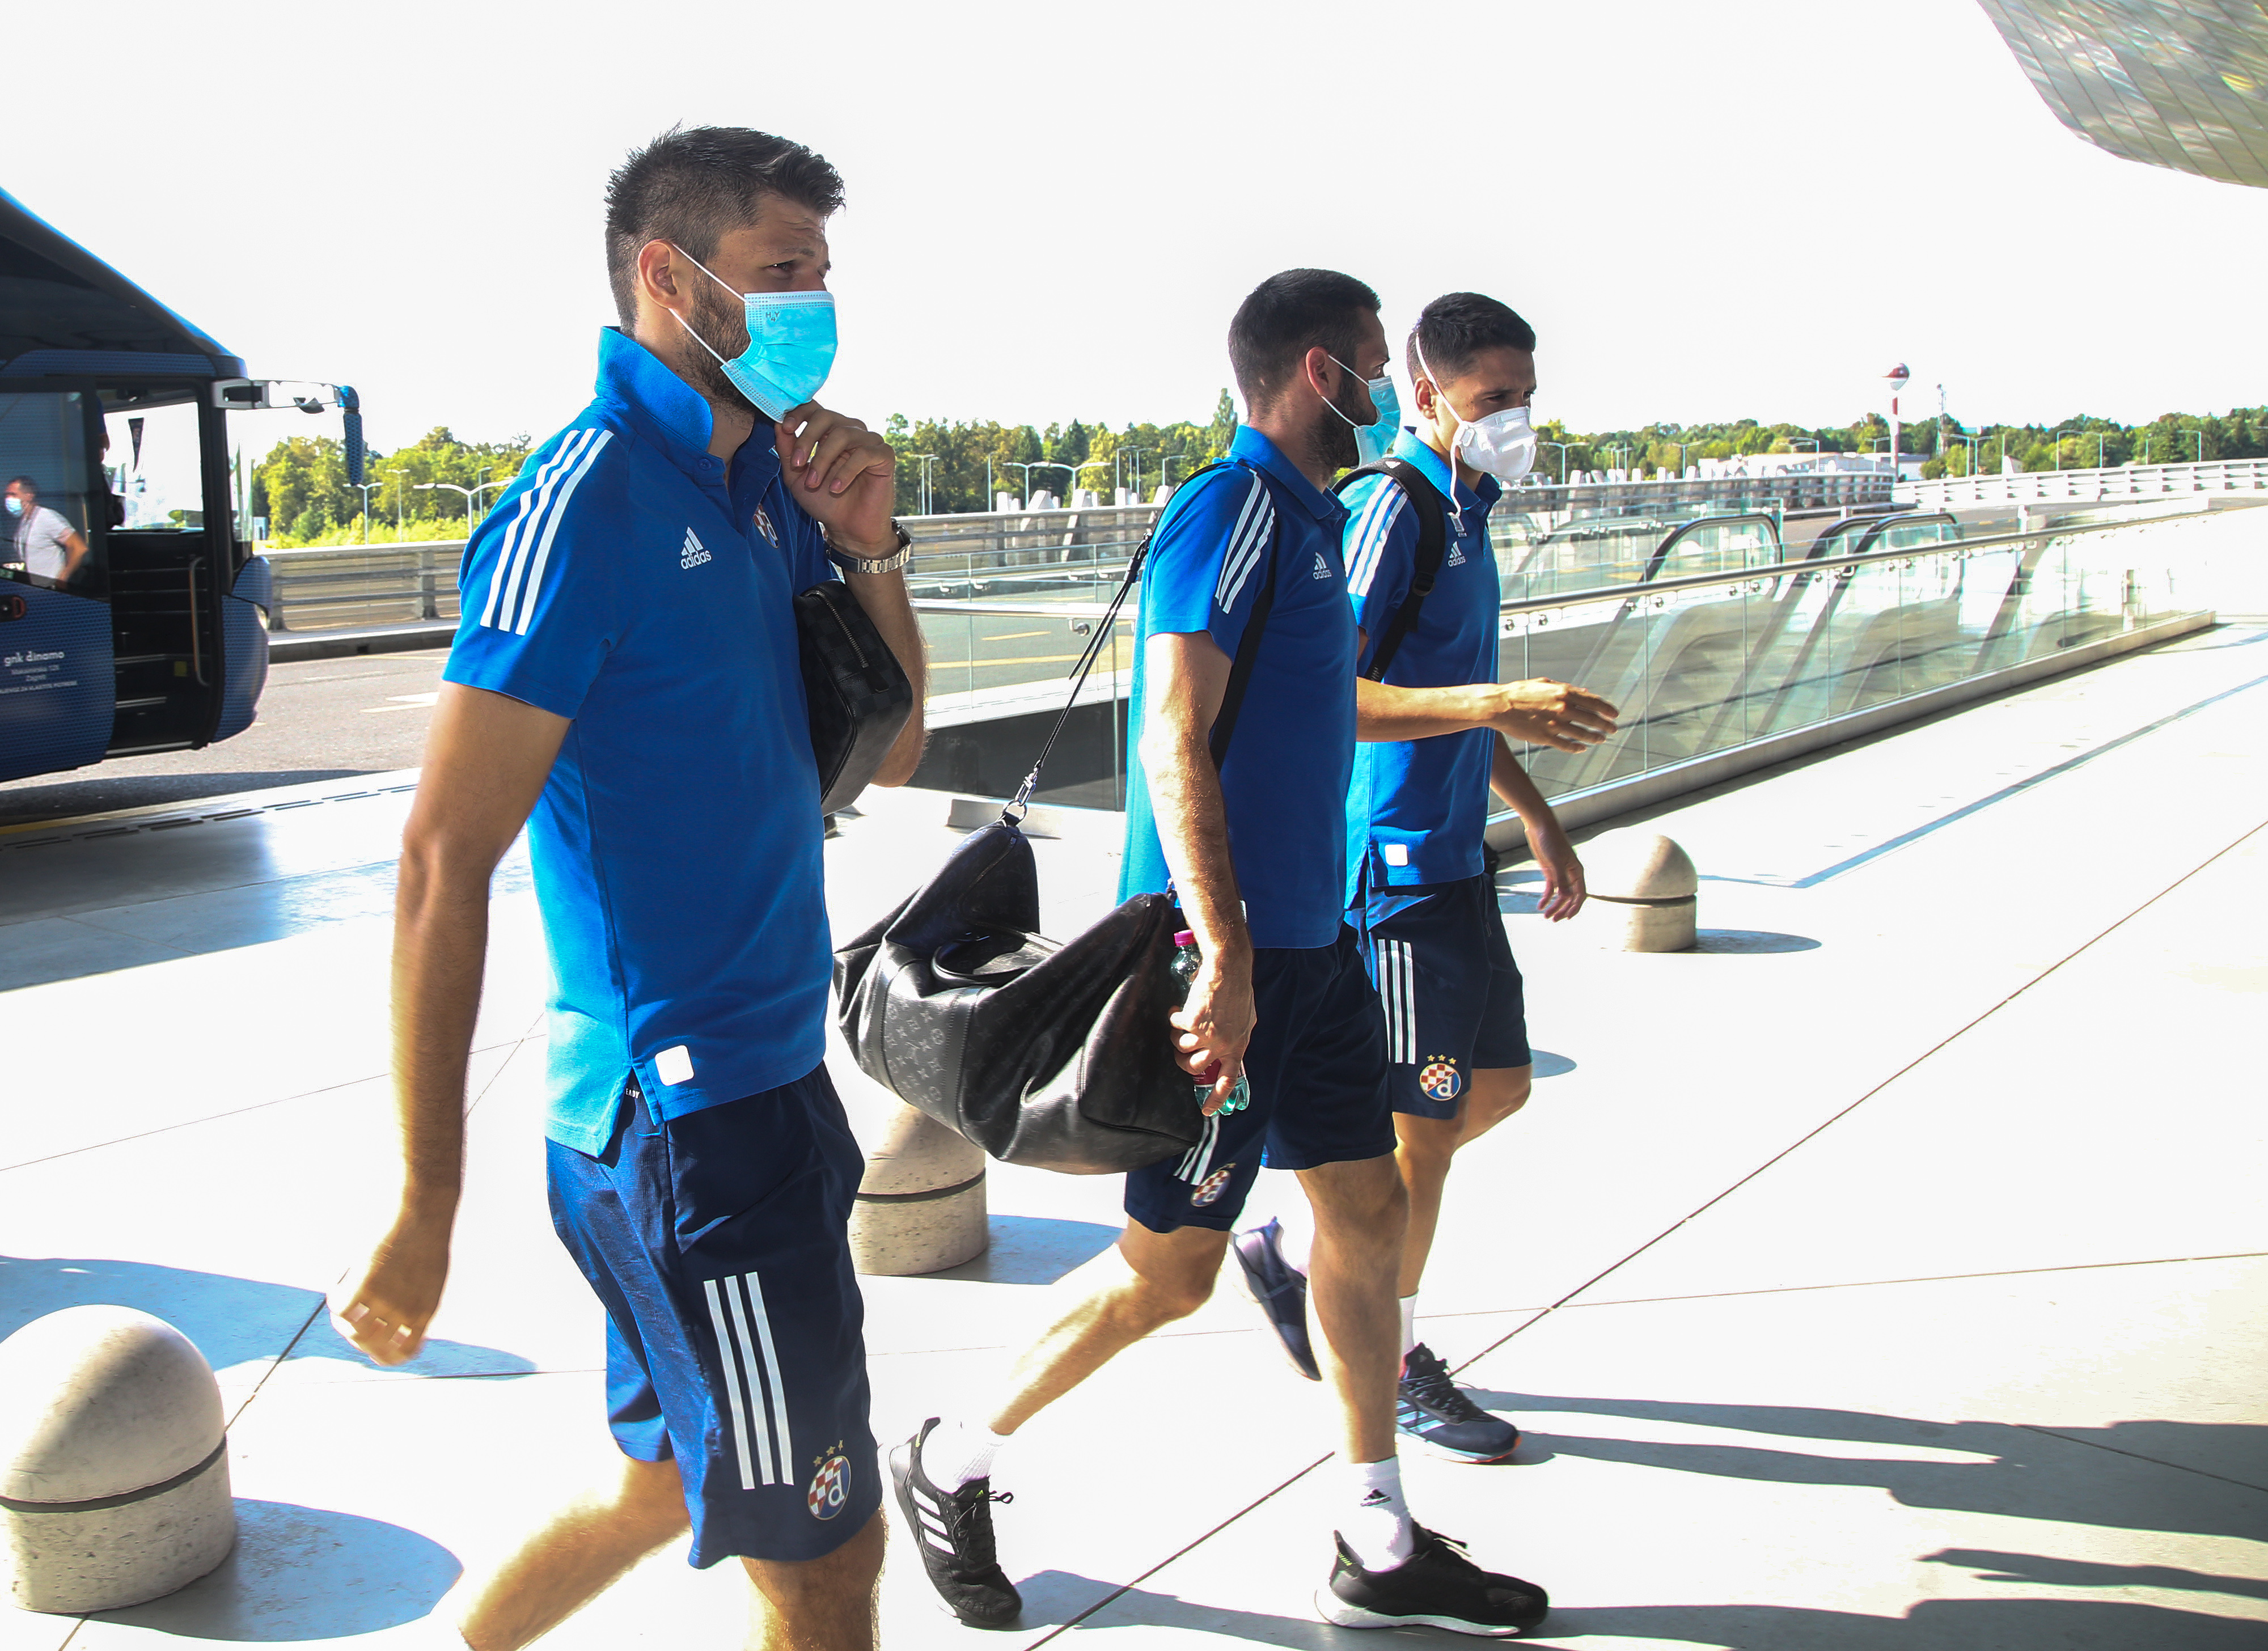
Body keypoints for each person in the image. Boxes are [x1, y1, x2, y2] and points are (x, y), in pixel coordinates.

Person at [328, 126, 926, 1651]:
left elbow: (895, 745)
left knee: (659, 1493)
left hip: (769, 1089)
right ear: (671, 276)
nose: (814, 309)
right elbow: (440, 859)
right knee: (826, 1561)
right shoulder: (583, 503)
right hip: (690, 1127)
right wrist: (425, 1205)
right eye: (783, 272)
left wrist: (870, 548)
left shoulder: (762, 483)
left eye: (822, 276)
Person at [890, 270, 1551, 1639]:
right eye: (1372, 362)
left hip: (1316, 950)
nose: (1389, 389)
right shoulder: (1233, 505)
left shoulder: (1314, 522)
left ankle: (1374, 1534)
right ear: (1320, 372)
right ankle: (949, 1456)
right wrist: (1224, 958)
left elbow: (1335, 713)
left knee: (1362, 1219)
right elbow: (1170, 733)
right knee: (1165, 1274)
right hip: (1223, 965)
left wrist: (1487, 720)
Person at [1232, 292, 1617, 1466]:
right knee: (1422, 1136)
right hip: (1388, 874)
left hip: (1455, 859)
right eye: (1494, 398)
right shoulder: (1390, 509)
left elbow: (1448, 693)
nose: (1516, 419)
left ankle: (1294, 1250)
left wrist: (1534, 817)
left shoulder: (1467, 509)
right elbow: (1328, 695)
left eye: (1527, 397)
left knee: (1495, 1088)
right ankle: (1392, 1361)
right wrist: (1495, 701)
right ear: (1425, 392)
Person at [6, 476, 89, 589]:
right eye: (7, 495)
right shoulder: (25, 521)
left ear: (29, 496)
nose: (8, 499)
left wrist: (63, 578)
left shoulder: (46, 517)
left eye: (13, 495)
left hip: (52, 588)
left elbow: (79, 547)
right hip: (37, 588)